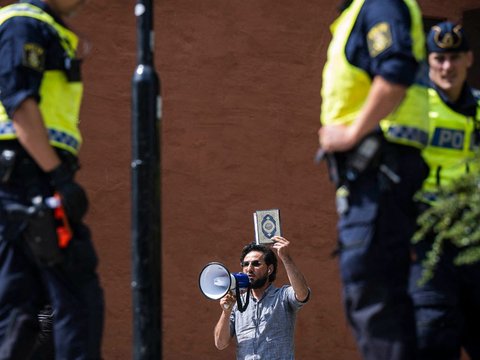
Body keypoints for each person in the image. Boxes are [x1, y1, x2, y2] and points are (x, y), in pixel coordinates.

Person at [317, 0, 429, 359]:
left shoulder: (379, 5)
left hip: (381, 177)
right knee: (378, 301)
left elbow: (395, 73)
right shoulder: (355, 15)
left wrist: (350, 136)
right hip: (374, 179)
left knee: (376, 300)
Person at [0, 0, 104, 359]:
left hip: (29, 180)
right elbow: (20, 104)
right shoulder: (24, 23)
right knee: (75, 298)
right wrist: (58, 177)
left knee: (22, 311)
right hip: (30, 180)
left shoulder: (46, 26)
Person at [408, 21, 480, 360]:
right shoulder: (412, 109)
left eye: (454, 57)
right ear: (429, 60)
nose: (447, 66)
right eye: (439, 58)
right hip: (430, 251)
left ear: (468, 58)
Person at [214, 236, 310, 360]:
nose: (249, 269)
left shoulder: (282, 296)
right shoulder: (237, 304)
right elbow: (220, 343)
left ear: (269, 269)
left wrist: (286, 258)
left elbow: (302, 294)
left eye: (256, 264)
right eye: (245, 264)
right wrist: (226, 312)